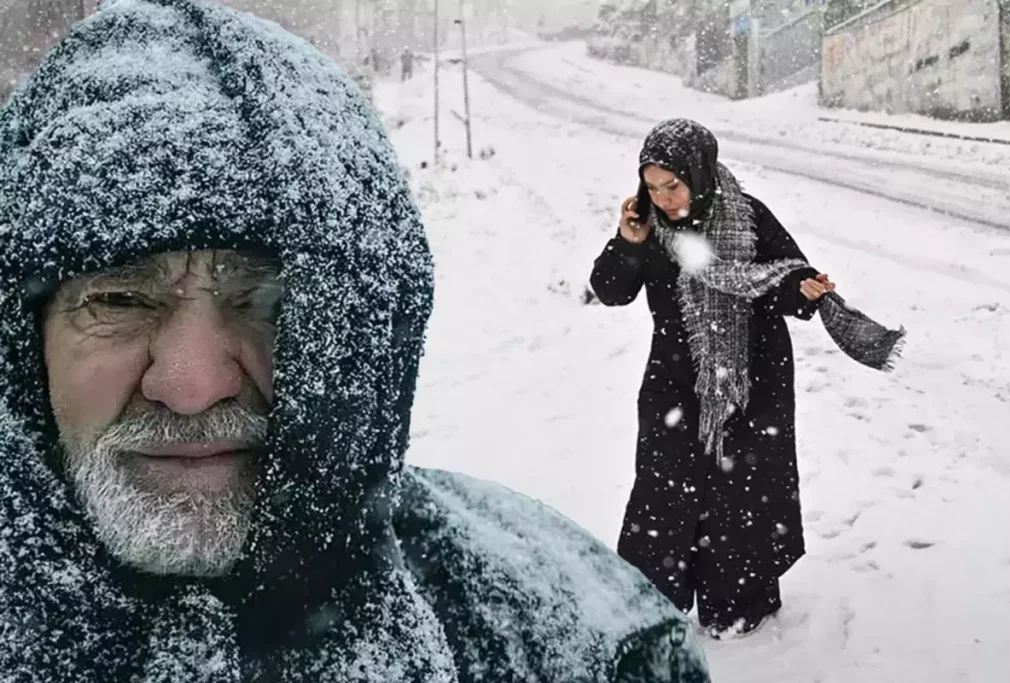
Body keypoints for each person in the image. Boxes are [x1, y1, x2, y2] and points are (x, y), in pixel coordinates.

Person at [0, 2, 712, 681]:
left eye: (270, 301)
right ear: (23, 347)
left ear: (369, 333)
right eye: (120, 300)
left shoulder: (584, 643)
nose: (191, 385)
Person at [589, 119, 904, 640]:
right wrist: (627, 241)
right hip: (674, 382)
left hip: (751, 382)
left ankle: (736, 607)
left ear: (699, 173)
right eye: (653, 187)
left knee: (740, 498)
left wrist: (803, 290)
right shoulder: (648, 229)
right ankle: (652, 601)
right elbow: (610, 290)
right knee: (664, 495)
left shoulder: (747, 216)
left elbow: (783, 275)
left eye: (673, 185)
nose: (664, 198)